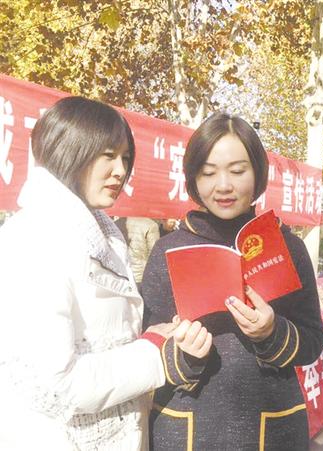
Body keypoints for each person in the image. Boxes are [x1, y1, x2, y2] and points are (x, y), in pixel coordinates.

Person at [0, 97, 212, 450]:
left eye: (125, 158)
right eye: (108, 155)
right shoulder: (34, 240)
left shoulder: (102, 235)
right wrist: (155, 354)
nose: (120, 170)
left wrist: (153, 337)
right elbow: (55, 386)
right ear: (67, 150)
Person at [142, 112, 323, 450]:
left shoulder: (288, 247)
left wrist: (272, 333)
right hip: (188, 425)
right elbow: (148, 343)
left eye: (238, 171)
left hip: (270, 427)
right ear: (192, 177)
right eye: (208, 172)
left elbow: (314, 340)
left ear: (258, 173)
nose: (223, 185)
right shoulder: (168, 250)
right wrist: (183, 353)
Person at [115, 216, 161, 285]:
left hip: (120, 272)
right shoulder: (151, 225)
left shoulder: (116, 223)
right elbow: (155, 254)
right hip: (141, 274)